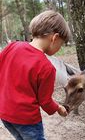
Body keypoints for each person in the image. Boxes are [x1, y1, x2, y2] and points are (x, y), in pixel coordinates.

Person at [0, 10, 71, 140]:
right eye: (61, 44)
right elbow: (45, 102)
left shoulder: (12, 46)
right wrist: (58, 108)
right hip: (27, 121)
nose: (59, 48)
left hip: (5, 114)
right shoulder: (47, 68)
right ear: (54, 38)